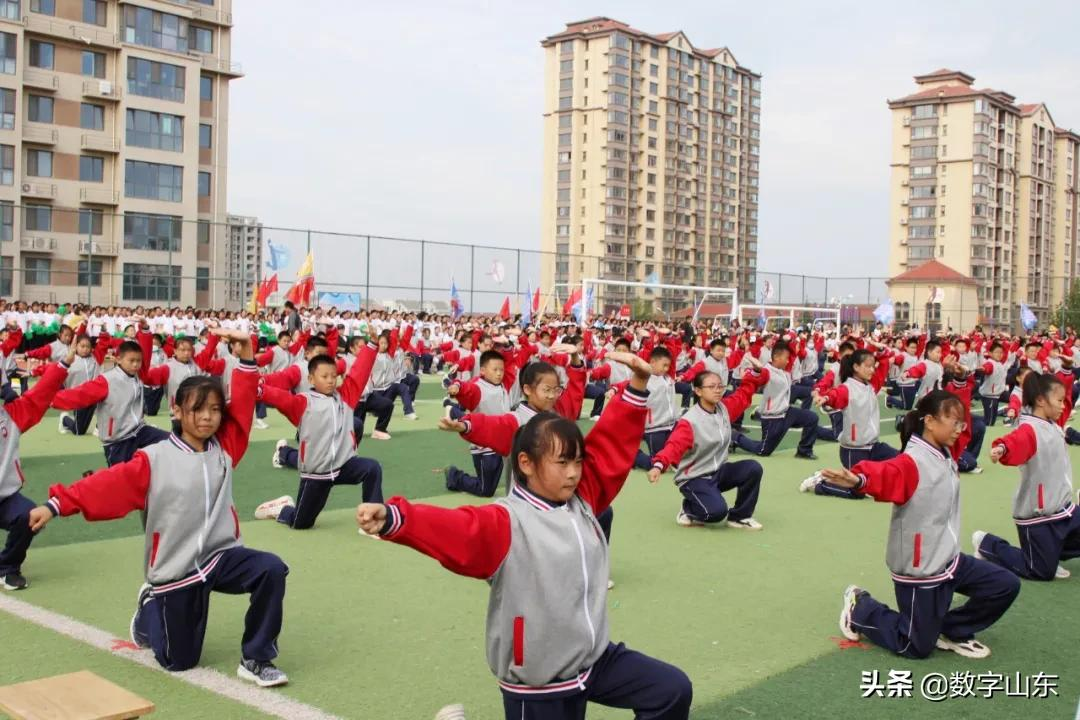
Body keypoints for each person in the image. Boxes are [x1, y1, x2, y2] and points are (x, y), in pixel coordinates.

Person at [356, 353, 693, 719]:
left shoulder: (582, 498)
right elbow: (458, 530)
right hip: (537, 680)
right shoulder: (508, 521)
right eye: (562, 463)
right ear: (526, 464)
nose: (573, 472)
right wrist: (395, 517)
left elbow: (610, 444)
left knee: (670, 690)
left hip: (591, 661)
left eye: (577, 462)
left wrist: (638, 384)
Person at [30, 331, 291, 687]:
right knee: (179, 661)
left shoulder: (225, 450)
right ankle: (150, 607)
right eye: (197, 409)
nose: (207, 418)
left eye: (215, 410)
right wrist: (57, 504)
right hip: (176, 568)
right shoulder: (153, 459)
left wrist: (247, 359)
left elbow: (243, 408)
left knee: (271, 569)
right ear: (178, 411)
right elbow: (106, 486)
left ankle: (256, 658)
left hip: (220, 556)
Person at [830, 390, 1021, 659]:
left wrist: (960, 383)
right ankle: (861, 608)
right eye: (953, 422)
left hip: (948, 559)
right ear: (929, 422)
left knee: (1005, 585)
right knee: (915, 645)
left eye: (960, 423)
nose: (959, 429)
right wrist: (860, 479)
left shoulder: (945, 451)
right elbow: (888, 472)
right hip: (920, 569)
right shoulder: (913, 461)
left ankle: (952, 629)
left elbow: (964, 431)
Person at [256, 343, 382, 529]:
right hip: (317, 474)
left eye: (334, 376)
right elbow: (281, 398)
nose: (331, 381)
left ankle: (372, 519)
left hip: (343, 465)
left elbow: (358, 374)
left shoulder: (346, 397)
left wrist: (371, 346)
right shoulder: (303, 403)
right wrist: (259, 390)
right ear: (311, 379)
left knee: (372, 468)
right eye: (324, 377)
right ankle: (282, 508)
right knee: (301, 523)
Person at [974, 372, 1078, 581]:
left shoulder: (1050, 422)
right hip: (1038, 517)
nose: (1062, 405)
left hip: (1063, 509)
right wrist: (1002, 448)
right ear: (1041, 400)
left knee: (1050, 555)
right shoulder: (1030, 428)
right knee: (1041, 571)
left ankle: (1050, 552)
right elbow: (1016, 441)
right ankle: (986, 544)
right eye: (1059, 400)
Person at [647, 359, 768, 529]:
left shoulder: (724, 409)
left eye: (720, 386)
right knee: (715, 513)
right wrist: (659, 465)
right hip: (694, 478)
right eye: (711, 387)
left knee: (753, 468)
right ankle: (688, 508)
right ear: (698, 391)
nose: (717, 390)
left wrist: (755, 374)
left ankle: (740, 516)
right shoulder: (690, 421)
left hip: (718, 472)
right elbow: (674, 446)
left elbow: (743, 394)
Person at [0, 345, 74, 589]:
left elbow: (40, 394)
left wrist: (63, 365)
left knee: (29, 516)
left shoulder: (11, 414)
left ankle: (8, 567)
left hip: (5, 498)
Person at [51, 330, 171, 466]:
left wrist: (144, 331)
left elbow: (146, 353)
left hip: (139, 431)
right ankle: (66, 420)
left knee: (172, 442)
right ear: (118, 359)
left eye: (138, 361)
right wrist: (47, 399)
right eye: (131, 361)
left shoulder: (138, 374)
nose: (136, 365)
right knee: (120, 481)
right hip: (117, 441)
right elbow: (79, 395)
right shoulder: (107, 381)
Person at [801, 345, 897, 498]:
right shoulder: (847, 388)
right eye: (867, 366)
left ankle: (833, 476)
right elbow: (835, 395)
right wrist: (824, 398)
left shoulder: (872, 386)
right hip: (854, 450)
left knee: (900, 461)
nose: (872, 370)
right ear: (856, 367)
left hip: (874, 447)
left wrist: (878, 349)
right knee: (857, 492)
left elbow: (885, 361)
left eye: (873, 366)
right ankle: (821, 483)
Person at [732, 340, 821, 460]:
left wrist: (811, 391)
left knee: (812, 418)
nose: (788, 360)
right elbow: (755, 378)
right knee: (763, 450)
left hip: (786, 412)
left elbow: (791, 388)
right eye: (786, 358)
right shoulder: (767, 371)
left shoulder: (783, 372)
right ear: (776, 357)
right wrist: (757, 370)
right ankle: (735, 437)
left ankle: (804, 450)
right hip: (772, 418)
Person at [444, 351, 512, 497]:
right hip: (484, 446)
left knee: (507, 480)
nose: (499, 373)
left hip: (503, 443)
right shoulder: (478, 387)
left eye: (501, 370)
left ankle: (453, 412)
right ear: (482, 370)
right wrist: (457, 386)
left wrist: (507, 345)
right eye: (495, 370)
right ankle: (455, 476)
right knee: (485, 490)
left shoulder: (503, 384)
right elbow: (467, 388)